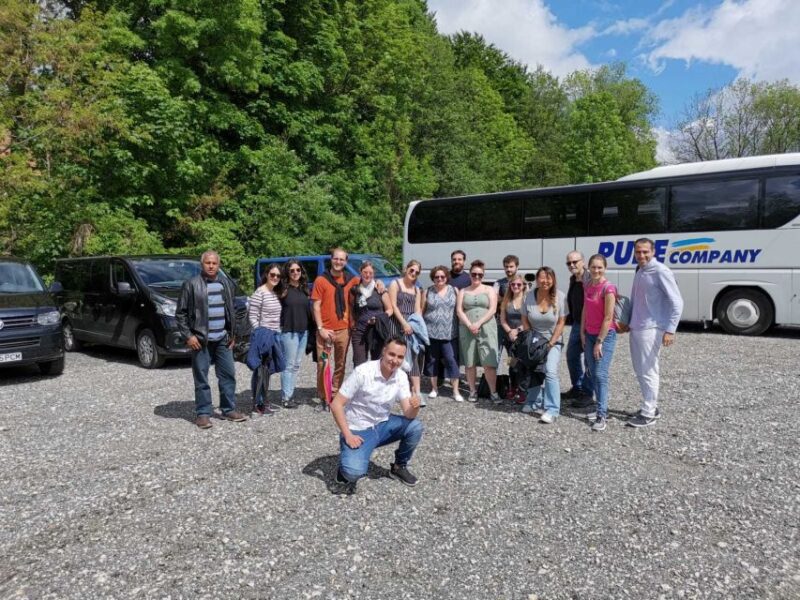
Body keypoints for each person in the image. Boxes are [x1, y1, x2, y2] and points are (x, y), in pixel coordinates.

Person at [330, 336, 424, 494]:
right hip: (358, 429)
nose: (395, 360)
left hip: (382, 424)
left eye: (400, 357)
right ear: (384, 351)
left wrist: (415, 406)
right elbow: (336, 404)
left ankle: (399, 467)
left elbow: (409, 414)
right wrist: (348, 435)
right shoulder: (363, 372)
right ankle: (345, 463)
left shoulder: (400, 376)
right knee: (352, 473)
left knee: (415, 427)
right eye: (392, 354)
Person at [176, 251, 247, 429]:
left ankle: (228, 409)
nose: (211, 266)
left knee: (228, 375)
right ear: (202, 264)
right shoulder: (191, 284)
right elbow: (180, 314)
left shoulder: (226, 283)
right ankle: (203, 414)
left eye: (214, 263)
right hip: (201, 340)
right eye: (207, 263)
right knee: (201, 377)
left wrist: (233, 333)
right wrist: (189, 336)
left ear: (218, 265)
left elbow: (235, 310)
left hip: (223, 339)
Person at [626, 238, 683, 427]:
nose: (641, 255)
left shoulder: (661, 271)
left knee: (649, 370)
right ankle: (650, 406)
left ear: (653, 252)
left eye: (645, 252)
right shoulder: (640, 270)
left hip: (651, 328)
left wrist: (670, 330)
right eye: (638, 252)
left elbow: (677, 302)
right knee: (640, 370)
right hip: (637, 327)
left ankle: (649, 413)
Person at [311, 248, 360, 406]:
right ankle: (323, 396)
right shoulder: (321, 280)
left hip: (343, 330)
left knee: (340, 364)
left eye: (341, 259)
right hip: (325, 331)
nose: (338, 262)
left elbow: (368, 283)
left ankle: (334, 392)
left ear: (346, 262)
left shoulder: (351, 280)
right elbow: (316, 306)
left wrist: (379, 285)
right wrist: (321, 329)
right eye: (336, 259)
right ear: (331, 259)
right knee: (323, 363)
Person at [521, 266, 567, 424]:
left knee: (550, 371)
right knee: (533, 369)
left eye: (548, 278)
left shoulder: (560, 296)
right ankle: (533, 401)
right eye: (542, 277)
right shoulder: (529, 296)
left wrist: (551, 343)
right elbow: (524, 318)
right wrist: (530, 339)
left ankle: (552, 409)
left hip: (553, 340)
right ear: (537, 279)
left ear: (553, 279)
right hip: (534, 340)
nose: (545, 281)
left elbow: (561, 322)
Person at [579, 255, 618, 432]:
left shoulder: (608, 289)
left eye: (600, 267)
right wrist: (582, 332)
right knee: (593, 373)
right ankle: (600, 407)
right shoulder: (588, 286)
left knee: (601, 374)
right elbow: (585, 310)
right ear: (589, 268)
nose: (596, 270)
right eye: (593, 267)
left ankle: (602, 415)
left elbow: (608, 317)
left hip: (605, 336)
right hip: (589, 335)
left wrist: (599, 342)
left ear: (605, 268)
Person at [456, 260, 500, 402]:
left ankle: (493, 392)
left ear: (483, 275)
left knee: (489, 362)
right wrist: (470, 325)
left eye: (480, 275)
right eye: (474, 274)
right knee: (470, 361)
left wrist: (478, 323)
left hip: (487, 328)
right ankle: (472, 391)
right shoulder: (463, 291)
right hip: (467, 329)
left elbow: (493, 309)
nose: (476, 277)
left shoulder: (489, 290)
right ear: (470, 274)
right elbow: (459, 310)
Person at [248, 263, 285, 414]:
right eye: (272, 275)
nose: (275, 278)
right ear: (267, 275)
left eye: (278, 276)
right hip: (263, 335)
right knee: (259, 370)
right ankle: (258, 403)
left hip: (274, 335)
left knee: (268, 370)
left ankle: (264, 400)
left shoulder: (274, 292)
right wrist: (259, 332)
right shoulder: (260, 292)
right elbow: (252, 315)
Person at [422, 265, 462, 402]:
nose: (439, 279)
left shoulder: (454, 290)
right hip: (431, 333)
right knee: (432, 361)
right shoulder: (428, 291)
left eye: (442, 276)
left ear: (446, 277)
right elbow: (422, 311)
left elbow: (459, 310)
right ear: (433, 278)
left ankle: (455, 391)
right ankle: (434, 389)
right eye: (436, 277)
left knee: (451, 360)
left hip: (450, 333)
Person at [388, 260, 425, 402]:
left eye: (416, 272)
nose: (413, 273)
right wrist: (404, 323)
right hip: (396, 324)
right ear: (406, 269)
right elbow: (394, 306)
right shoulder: (395, 284)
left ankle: (417, 392)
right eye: (412, 270)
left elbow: (418, 310)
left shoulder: (417, 289)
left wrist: (415, 325)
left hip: (411, 326)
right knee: (395, 357)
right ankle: (395, 390)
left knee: (414, 357)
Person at [279, 259, 310, 409]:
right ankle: (286, 397)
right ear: (287, 272)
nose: (295, 273)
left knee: (296, 365)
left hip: (303, 331)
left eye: (298, 270)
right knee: (289, 365)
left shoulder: (304, 289)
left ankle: (290, 394)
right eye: (292, 270)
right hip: (289, 331)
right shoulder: (283, 290)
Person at [563, 251, 593, 406]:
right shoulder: (573, 279)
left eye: (575, 262)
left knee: (589, 360)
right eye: (569, 263)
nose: (572, 265)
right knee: (572, 355)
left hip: (590, 325)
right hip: (576, 324)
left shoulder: (590, 278)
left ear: (583, 262)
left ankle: (588, 394)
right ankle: (578, 387)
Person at [350, 261, 393, 367]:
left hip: (377, 331)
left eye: (370, 273)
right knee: (359, 364)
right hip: (360, 331)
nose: (367, 275)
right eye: (365, 272)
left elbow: (390, 309)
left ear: (374, 274)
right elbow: (351, 308)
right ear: (360, 272)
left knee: (377, 363)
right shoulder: (355, 290)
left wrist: (379, 318)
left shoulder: (380, 290)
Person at [499, 273, 526, 402]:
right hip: (509, 338)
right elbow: (502, 320)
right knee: (511, 364)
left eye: (518, 284)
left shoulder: (527, 300)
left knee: (523, 364)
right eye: (513, 284)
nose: (515, 286)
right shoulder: (506, 300)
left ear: (523, 286)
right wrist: (510, 331)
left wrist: (518, 330)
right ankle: (513, 387)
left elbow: (530, 320)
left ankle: (523, 390)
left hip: (524, 337)